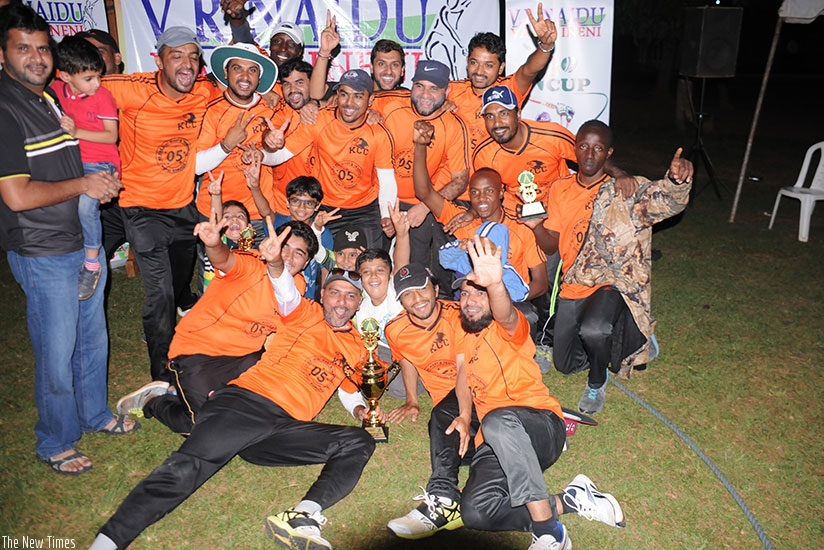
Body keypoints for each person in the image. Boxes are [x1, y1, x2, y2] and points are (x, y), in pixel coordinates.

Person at [90, 223, 379, 550]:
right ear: (322, 294)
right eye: (335, 292)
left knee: (357, 441)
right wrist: (274, 264)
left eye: (351, 296)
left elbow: (347, 383)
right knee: (189, 467)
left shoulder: (358, 344)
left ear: (358, 305)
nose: (341, 301)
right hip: (248, 404)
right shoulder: (303, 312)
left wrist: (360, 406)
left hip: (285, 429)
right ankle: (108, 541)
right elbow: (283, 290)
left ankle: (302, 516)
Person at [0, 3, 134, 476]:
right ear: (3, 54)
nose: (36, 57)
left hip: (80, 240)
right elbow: (16, 195)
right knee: (57, 350)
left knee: (92, 338)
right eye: (24, 48)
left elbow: (83, 155)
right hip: (42, 249)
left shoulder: (48, 99)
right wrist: (84, 186)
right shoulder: (5, 108)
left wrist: (99, 182)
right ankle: (55, 440)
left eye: (42, 48)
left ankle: (94, 414)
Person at [454, 236, 625, 550]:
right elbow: (462, 375)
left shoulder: (509, 326)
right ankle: (571, 500)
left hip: (541, 427)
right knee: (476, 513)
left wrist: (494, 285)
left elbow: (505, 313)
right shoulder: (463, 335)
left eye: (480, 294)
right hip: (494, 441)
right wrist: (465, 416)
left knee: (496, 420)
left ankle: (549, 531)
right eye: (465, 294)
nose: (470, 301)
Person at [527, 120, 693, 414]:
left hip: (613, 279)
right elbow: (551, 244)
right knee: (565, 364)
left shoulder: (624, 188)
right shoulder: (560, 188)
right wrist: (535, 226)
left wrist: (677, 182)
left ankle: (597, 380)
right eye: (584, 147)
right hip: (576, 280)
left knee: (594, 329)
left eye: (598, 148)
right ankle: (622, 336)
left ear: (609, 152)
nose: (590, 155)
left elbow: (665, 201)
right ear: (574, 149)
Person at [116, 218, 316, 435]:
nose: (287, 256)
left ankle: (178, 391)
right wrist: (213, 244)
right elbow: (224, 260)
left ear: (305, 264)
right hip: (199, 353)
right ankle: (154, 401)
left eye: (299, 253)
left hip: (246, 356)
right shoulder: (250, 263)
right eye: (284, 246)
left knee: (256, 412)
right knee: (202, 430)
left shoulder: (298, 285)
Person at [102, 27, 221, 382]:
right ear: (158, 60)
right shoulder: (128, 88)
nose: (187, 64)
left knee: (181, 283)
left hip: (183, 207)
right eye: (177, 56)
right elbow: (77, 86)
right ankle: (163, 372)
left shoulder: (203, 91)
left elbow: (244, 90)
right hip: (140, 208)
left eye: (193, 57)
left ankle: (185, 317)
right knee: (161, 293)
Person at [414, 120, 548, 334]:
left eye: (489, 191)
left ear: (502, 193)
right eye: (474, 192)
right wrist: (420, 146)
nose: (481, 198)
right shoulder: (462, 220)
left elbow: (541, 283)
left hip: (510, 297)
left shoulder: (521, 228)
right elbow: (425, 193)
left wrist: (502, 297)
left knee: (528, 315)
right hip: (471, 299)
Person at [385, 263, 477, 539]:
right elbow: (407, 360)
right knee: (461, 446)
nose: (417, 299)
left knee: (443, 418)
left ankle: (444, 497)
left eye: (422, 289)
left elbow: (465, 371)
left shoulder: (461, 316)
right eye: (407, 295)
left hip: (476, 383)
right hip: (445, 399)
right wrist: (412, 399)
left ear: (435, 288)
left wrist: (463, 412)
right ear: (400, 301)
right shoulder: (395, 329)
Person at [262, 68, 399, 248]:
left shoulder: (379, 132)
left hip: (364, 211)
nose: (349, 103)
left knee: (370, 265)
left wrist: (386, 216)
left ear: (370, 100)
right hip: (324, 209)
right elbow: (280, 156)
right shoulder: (319, 121)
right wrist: (263, 153)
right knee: (325, 267)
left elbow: (387, 180)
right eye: (344, 94)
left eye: (358, 96)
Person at [374, 59, 470, 294]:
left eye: (434, 88)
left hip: (423, 203)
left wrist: (424, 207)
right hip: (381, 199)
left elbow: (459, 179)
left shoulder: (454, 124)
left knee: (415, 271)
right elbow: (344, 99)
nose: (425, 94)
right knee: (373, 267)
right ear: (411, 85)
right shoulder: (390, 108)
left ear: (446, 92)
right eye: (420, 86)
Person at [53, 35, 121, 300]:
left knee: (85, 205)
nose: (97, 84)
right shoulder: (56, 91)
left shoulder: (103, 97)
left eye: (98, 76)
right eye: (89, 78)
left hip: (102, 163)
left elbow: (110, 136)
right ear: (66, 76)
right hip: (71, 163)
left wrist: (76, 131)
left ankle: (92, 262)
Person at [195, 42, 279, 238]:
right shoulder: (210, 110)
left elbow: (282, 153)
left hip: (257, 212)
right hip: (215, 211)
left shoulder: (271, 109)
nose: (244, 76)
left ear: (259, 78)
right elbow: (197, 166)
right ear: (225, 73)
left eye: (252, 70)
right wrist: (226, 145)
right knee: (212, 269)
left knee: (258, 268)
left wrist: (262, 155)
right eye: (237, 68)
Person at [448, 5, 557, 155]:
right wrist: (439, 107)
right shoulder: (451, 90)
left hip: (497, 173)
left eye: (488, 65)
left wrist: (546, 45)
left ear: (500, 68)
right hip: (458, 173)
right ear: (467, 62)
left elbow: (529, 70)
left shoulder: (509, 88)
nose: (479, 71)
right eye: (474, 63)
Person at [277, 175, 332, 300]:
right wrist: (255, 186)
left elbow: (325, 268)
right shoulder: (279, 223)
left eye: (309, 203)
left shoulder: (324, 233)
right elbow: (265, 212)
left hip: (306, 297)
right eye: (296, 201)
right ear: (287, 202)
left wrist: (324, 298)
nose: (302, 208)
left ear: (317, 206)